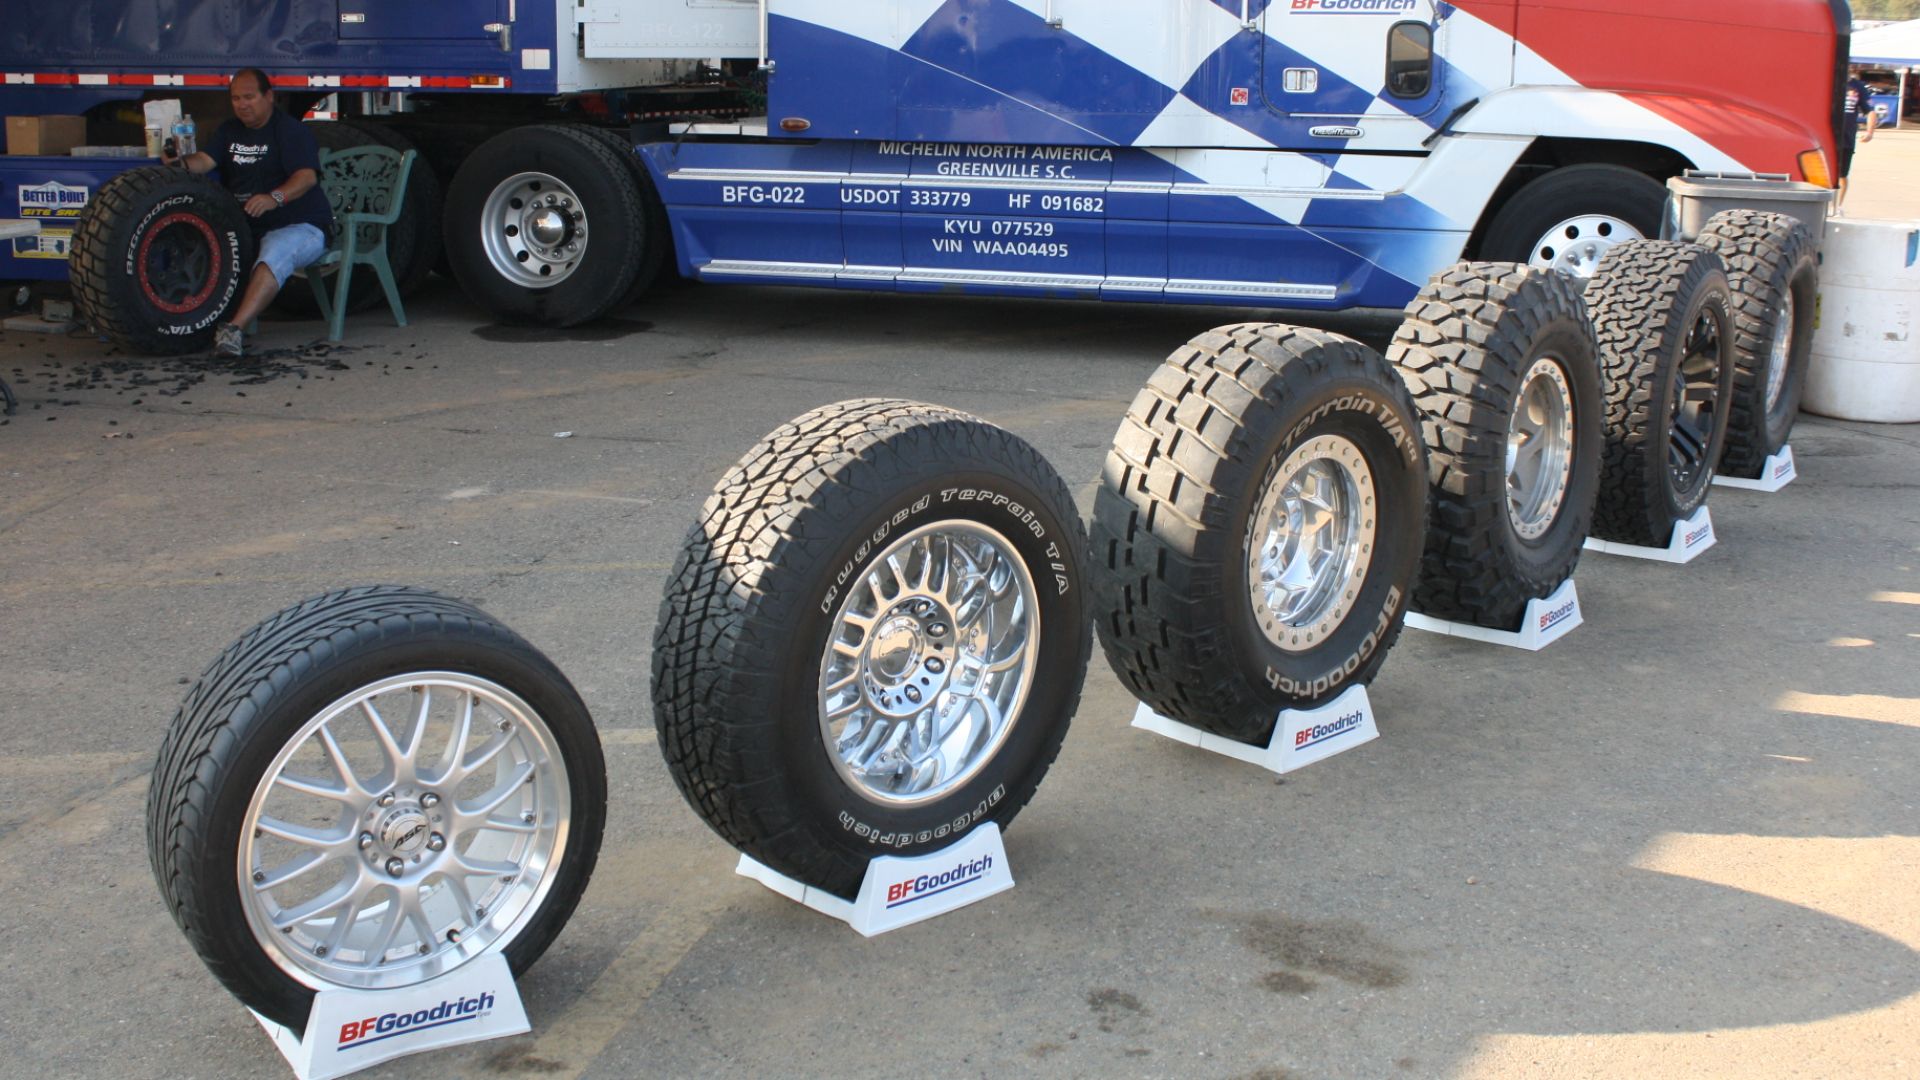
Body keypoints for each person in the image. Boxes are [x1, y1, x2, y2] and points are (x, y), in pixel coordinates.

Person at [163, 68, 333, 357]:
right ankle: (183, 325)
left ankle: (233, 331)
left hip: (301, 225)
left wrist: (274, 198)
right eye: (236, 98)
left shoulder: (290, 130)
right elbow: (205, 161)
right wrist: (180, 164)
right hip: (246, 227)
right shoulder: (229, 130)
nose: (242, 104)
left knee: (274, 253)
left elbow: (307, 177)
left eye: (249, 97)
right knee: (194, 245)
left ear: (269, 96)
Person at [1837, 69, 1880, 213]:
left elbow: (1870, 111)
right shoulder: (1829, 81)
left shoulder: (1857, 86)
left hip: (1846, 137)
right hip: (1826, 135)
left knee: (1842, 175)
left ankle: (1837, 206)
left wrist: (1870, 132)